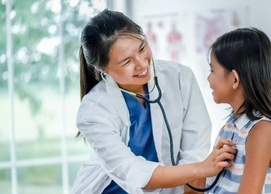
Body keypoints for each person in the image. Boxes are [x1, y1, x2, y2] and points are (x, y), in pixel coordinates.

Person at [71, 9, 237, 194]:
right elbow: (131, 171)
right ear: (102, 68)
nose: (142, 64)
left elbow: (195, 153)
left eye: (142, 48)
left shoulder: (180, 78)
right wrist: (203, 168)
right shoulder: (93, 111)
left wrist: (200, 171)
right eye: (126, 62)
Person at [205, 28, 271, 193]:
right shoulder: (231, 127)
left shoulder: (262, 132)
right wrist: (207, 165)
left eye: (212, 70)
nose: (208, 79)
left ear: (234, 79)